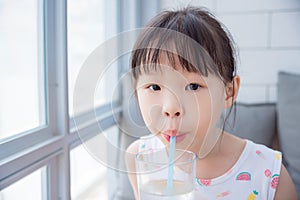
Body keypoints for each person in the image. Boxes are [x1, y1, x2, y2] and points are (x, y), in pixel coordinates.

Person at [125, 6, 297, 200]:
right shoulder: (139, 158)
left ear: (228, 92)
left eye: (193, 86)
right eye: (155, 87)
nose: (171, 108)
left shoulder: (270, 176)